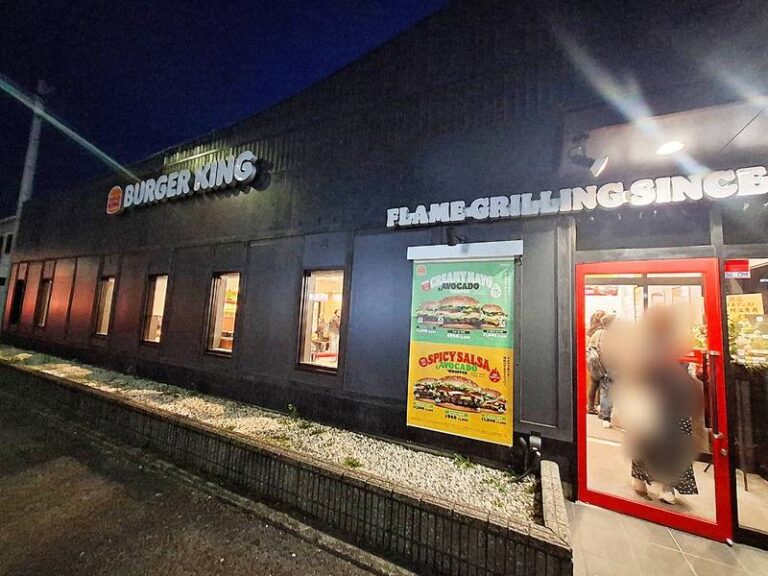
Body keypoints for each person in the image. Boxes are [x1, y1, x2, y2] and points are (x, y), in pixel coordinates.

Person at [626, 306, 702, 505]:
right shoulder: (646, 344)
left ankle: (666, 485)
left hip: (674, 401)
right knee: (649, 442)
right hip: (654, 401)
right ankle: (645, 479)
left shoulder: (674, 343)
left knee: (670, 444)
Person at [587, 312, 615, 428]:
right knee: (605, 391)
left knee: (594, 386)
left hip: (595, 366)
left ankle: (592, 406)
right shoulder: (611, 335)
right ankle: (605, 415)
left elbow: (589, 348)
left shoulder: (595, 333)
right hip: (607, 366)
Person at [586, 311, 607, 415]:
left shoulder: (590, 332)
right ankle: (601, 408)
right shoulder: (602, 332)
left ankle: (591, 406)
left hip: (592, 363)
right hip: (602, 362)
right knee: (604, 385)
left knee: (593, 384)